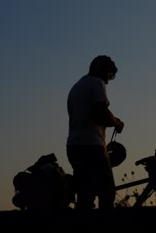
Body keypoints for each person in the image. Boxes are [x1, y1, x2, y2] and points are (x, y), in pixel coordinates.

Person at [66, 55, 124, 209]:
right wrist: (117, 123)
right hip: (91, 146)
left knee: (86, 194)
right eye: (109, 75)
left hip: (73, 146)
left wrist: (111, 119)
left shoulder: (77, 86)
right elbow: (101, 113)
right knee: (107, 191)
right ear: (103, 71)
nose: (108, 81)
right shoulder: (97, 82)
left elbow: (92, 113)